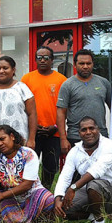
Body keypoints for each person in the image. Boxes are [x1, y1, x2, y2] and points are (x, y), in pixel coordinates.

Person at [53, 116, 112, 223]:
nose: (88, 132)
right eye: (84, 130)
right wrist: (58, 198)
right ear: (79, 133)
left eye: (91, 128)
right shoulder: (75, 151)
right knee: (64, 210)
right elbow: (65, 176)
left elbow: (97, 171)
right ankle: (95, 216)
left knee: (93, 184)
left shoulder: (109, 145)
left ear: (98, 129)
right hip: (89, 191)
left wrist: (73, 187)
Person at [0, 125, 54, 223]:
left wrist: (2, 195)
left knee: (49, 200)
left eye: (2, 139)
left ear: (12, 136)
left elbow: (27, 185)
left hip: (31, 194)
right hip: (9, 198)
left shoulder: (28, 153)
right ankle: (30, 222)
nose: (0, 144)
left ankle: (21, 222)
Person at [20, 46, 67, 190]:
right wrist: (32, 127)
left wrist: (55, 126)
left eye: (46, 57)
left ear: (52, 60)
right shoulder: (27, 79)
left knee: (50, 167)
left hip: (54, 132)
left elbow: (66, 108)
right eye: (39, 57)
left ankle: (45, 193)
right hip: (33, 133)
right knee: (29, 165)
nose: (42, 60)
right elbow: (21, 105)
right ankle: (31, 192)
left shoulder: (62, 80)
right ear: (35, 60)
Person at [57, 49, 112, 155]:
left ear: (93, 64)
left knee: (101, 170)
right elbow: (61, 112)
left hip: (101, 137)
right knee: (79, 171)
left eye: (88, 63)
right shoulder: (67, 85)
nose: (85, 66)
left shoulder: (104, 83)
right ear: (75, 64)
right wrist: (63, 139)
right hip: (76, 137)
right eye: (82, 63)